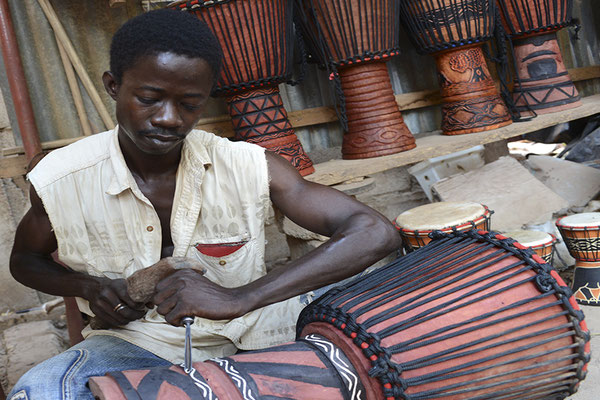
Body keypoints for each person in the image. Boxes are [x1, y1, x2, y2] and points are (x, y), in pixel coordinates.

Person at [7, 9, 400, 400]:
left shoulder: (250, 165)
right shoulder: (60, 179)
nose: (168, 118)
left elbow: (375, 232)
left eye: (190, 104)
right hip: (142, 343)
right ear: (113, 86)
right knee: (40, 390)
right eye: (149, 98)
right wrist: (90, 288)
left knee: (387, 292)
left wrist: (240, 298)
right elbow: (25, 261)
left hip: (261, 326)